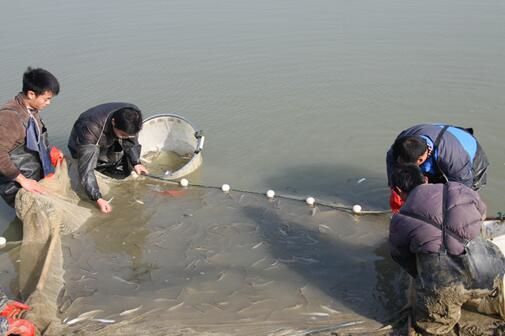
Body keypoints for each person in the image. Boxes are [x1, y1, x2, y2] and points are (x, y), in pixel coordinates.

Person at [389, 164, 505, 335]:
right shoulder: (459, 189)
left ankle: (449, 311)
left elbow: (401, 257)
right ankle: (490, 300)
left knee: (432, 326)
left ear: (398, 191)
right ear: (426, 179)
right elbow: (481, 214)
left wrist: (423, 276)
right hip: (490, 267)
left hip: (446, 286)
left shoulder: (400, 220)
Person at [386, 124, 489, 213]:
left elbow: (462, 190)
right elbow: (391, 159)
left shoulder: (454, 160)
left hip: (469, 157)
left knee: (459, 201)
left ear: (421, 160)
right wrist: (394, 187)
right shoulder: (401, 144)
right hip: (438, 135)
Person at [67, 103, 149, 214]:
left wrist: (136, 162)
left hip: (109, 137)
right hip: (85, 141)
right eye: (123, 134)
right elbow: (87, 169)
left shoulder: (134, 116)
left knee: (122, 164)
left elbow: (131, 141)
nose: (126, 137)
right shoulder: (90, 128)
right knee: (90, 167)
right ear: (114, 122)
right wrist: (97, 198)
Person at [0, 67, 60, 207]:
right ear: (31, 94)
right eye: (46, 99)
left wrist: (49, 151)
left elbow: (35, 139)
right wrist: (23, 181)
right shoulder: (9, 117)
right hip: (17, 183)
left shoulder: (31, 110)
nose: (48, 103)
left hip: (35, 175)